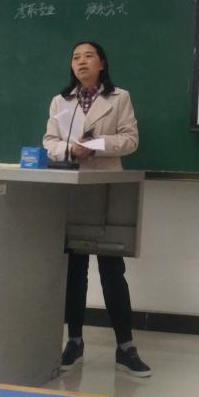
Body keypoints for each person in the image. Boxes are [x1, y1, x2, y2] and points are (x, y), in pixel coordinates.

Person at [43, 40, 151, 378]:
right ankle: (74, 342)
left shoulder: (120, 98)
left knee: (112, 271)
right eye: (75, 57)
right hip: (73, 190)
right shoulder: (61, 101)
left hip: (107, 189)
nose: (81, 62)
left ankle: (125, 347)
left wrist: (96, 146)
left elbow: (130, 140)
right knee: (74, 271)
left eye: (88, 56)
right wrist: (70, 150)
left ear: (102, 63)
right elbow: (49, 142)